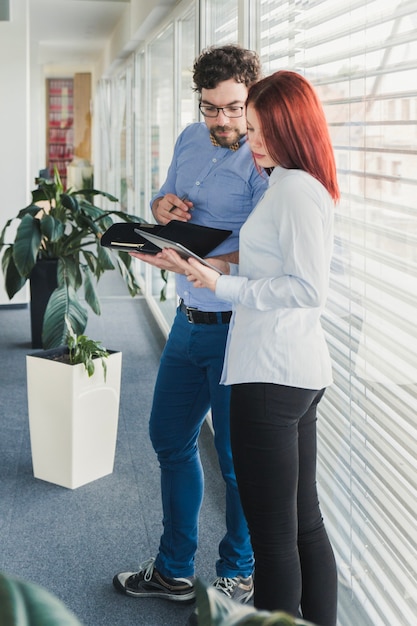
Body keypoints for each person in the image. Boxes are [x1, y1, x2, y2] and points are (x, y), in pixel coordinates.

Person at [168, 70, 340, 626]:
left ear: (293, 128)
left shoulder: (291, 189)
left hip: (271, 377)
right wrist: (205, 267)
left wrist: (222, 286)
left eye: (264, 129)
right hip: (294, 372)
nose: (252, 139)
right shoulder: (296, 183)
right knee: (301, 524)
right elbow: (273, 264)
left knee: (274, 542)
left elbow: (308, 289)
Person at [113, 44, 268, 611]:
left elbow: (269, 261)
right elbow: (162, 199)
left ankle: (238, 573)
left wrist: (204, 268)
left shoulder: (264, 161)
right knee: (168, 439)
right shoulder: (187, 137)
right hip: (187, 321)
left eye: (231, 109)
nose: (220, 121)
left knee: (234, 463)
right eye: (210, 108)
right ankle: (175, 570)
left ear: (252, 98)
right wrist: (162, 210)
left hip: (236, 326)